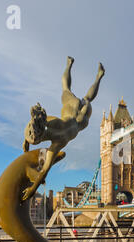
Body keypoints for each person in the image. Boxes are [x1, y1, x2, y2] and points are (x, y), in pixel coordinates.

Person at [22, 56, 105, 201]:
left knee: (86, 97)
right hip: (72, 109)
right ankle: (71, 65)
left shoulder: (58, 143)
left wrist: (32, 189)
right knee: (66, 88)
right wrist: (26, 143)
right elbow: (37, 122)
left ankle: (98, 76)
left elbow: (44, 171)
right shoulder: (51, 121)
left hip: (82, 121)